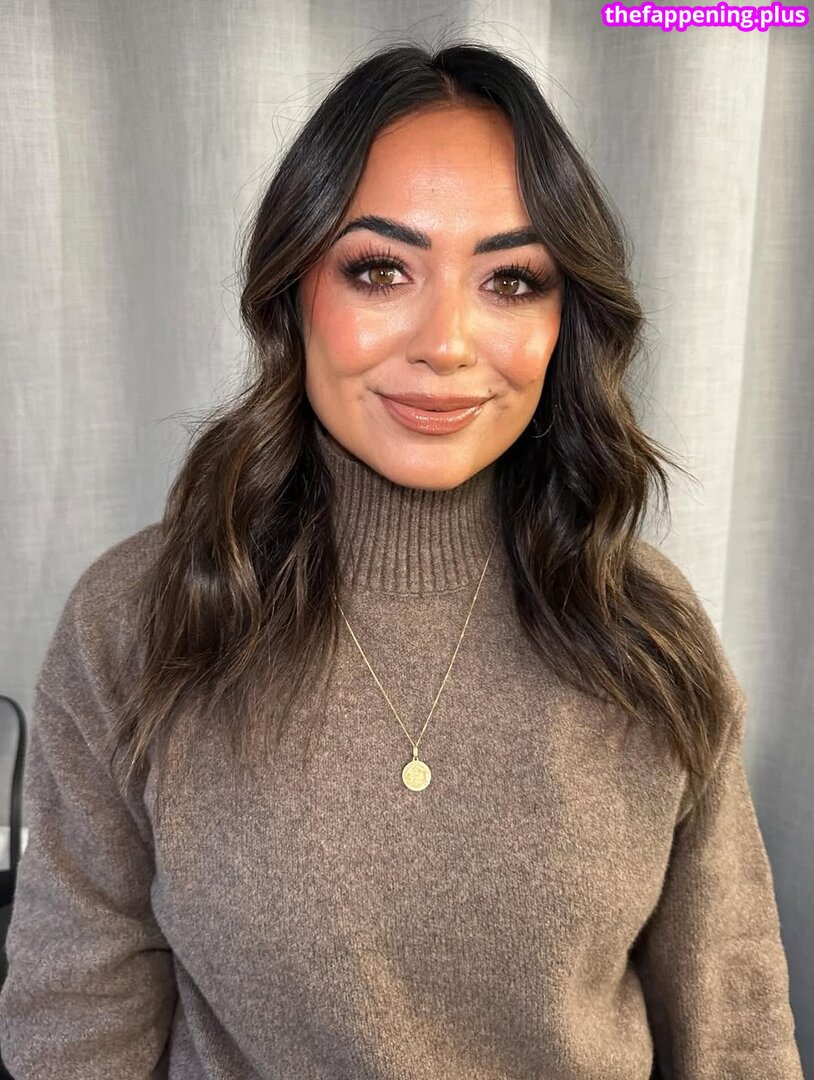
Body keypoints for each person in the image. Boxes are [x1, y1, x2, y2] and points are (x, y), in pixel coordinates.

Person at [0, 39, 803, 1080]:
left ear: (565, 321)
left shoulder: (644, 624)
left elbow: (736, 1031)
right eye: (380, 270)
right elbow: (74, 1029)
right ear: (293, 290)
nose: (447, 342)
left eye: (511, 280)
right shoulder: (140, 619)